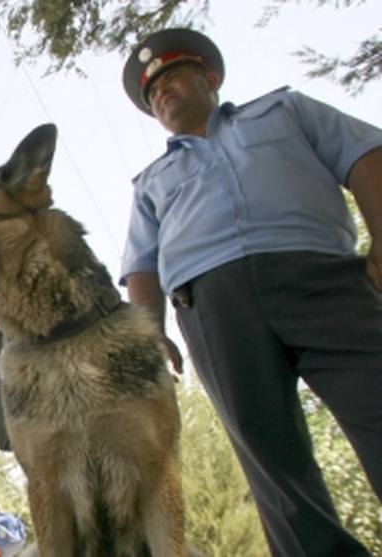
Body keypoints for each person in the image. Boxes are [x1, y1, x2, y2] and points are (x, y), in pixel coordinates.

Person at [120, 28, 382, 556]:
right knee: (271, 459)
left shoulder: (285, 111)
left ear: (209, 78)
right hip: (214, 307)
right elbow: (141, 265)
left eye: (171, 77)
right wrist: (149, 336)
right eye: (152, 94)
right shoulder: (152, 181)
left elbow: (364, 154)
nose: (162, 93)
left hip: (323, 279)